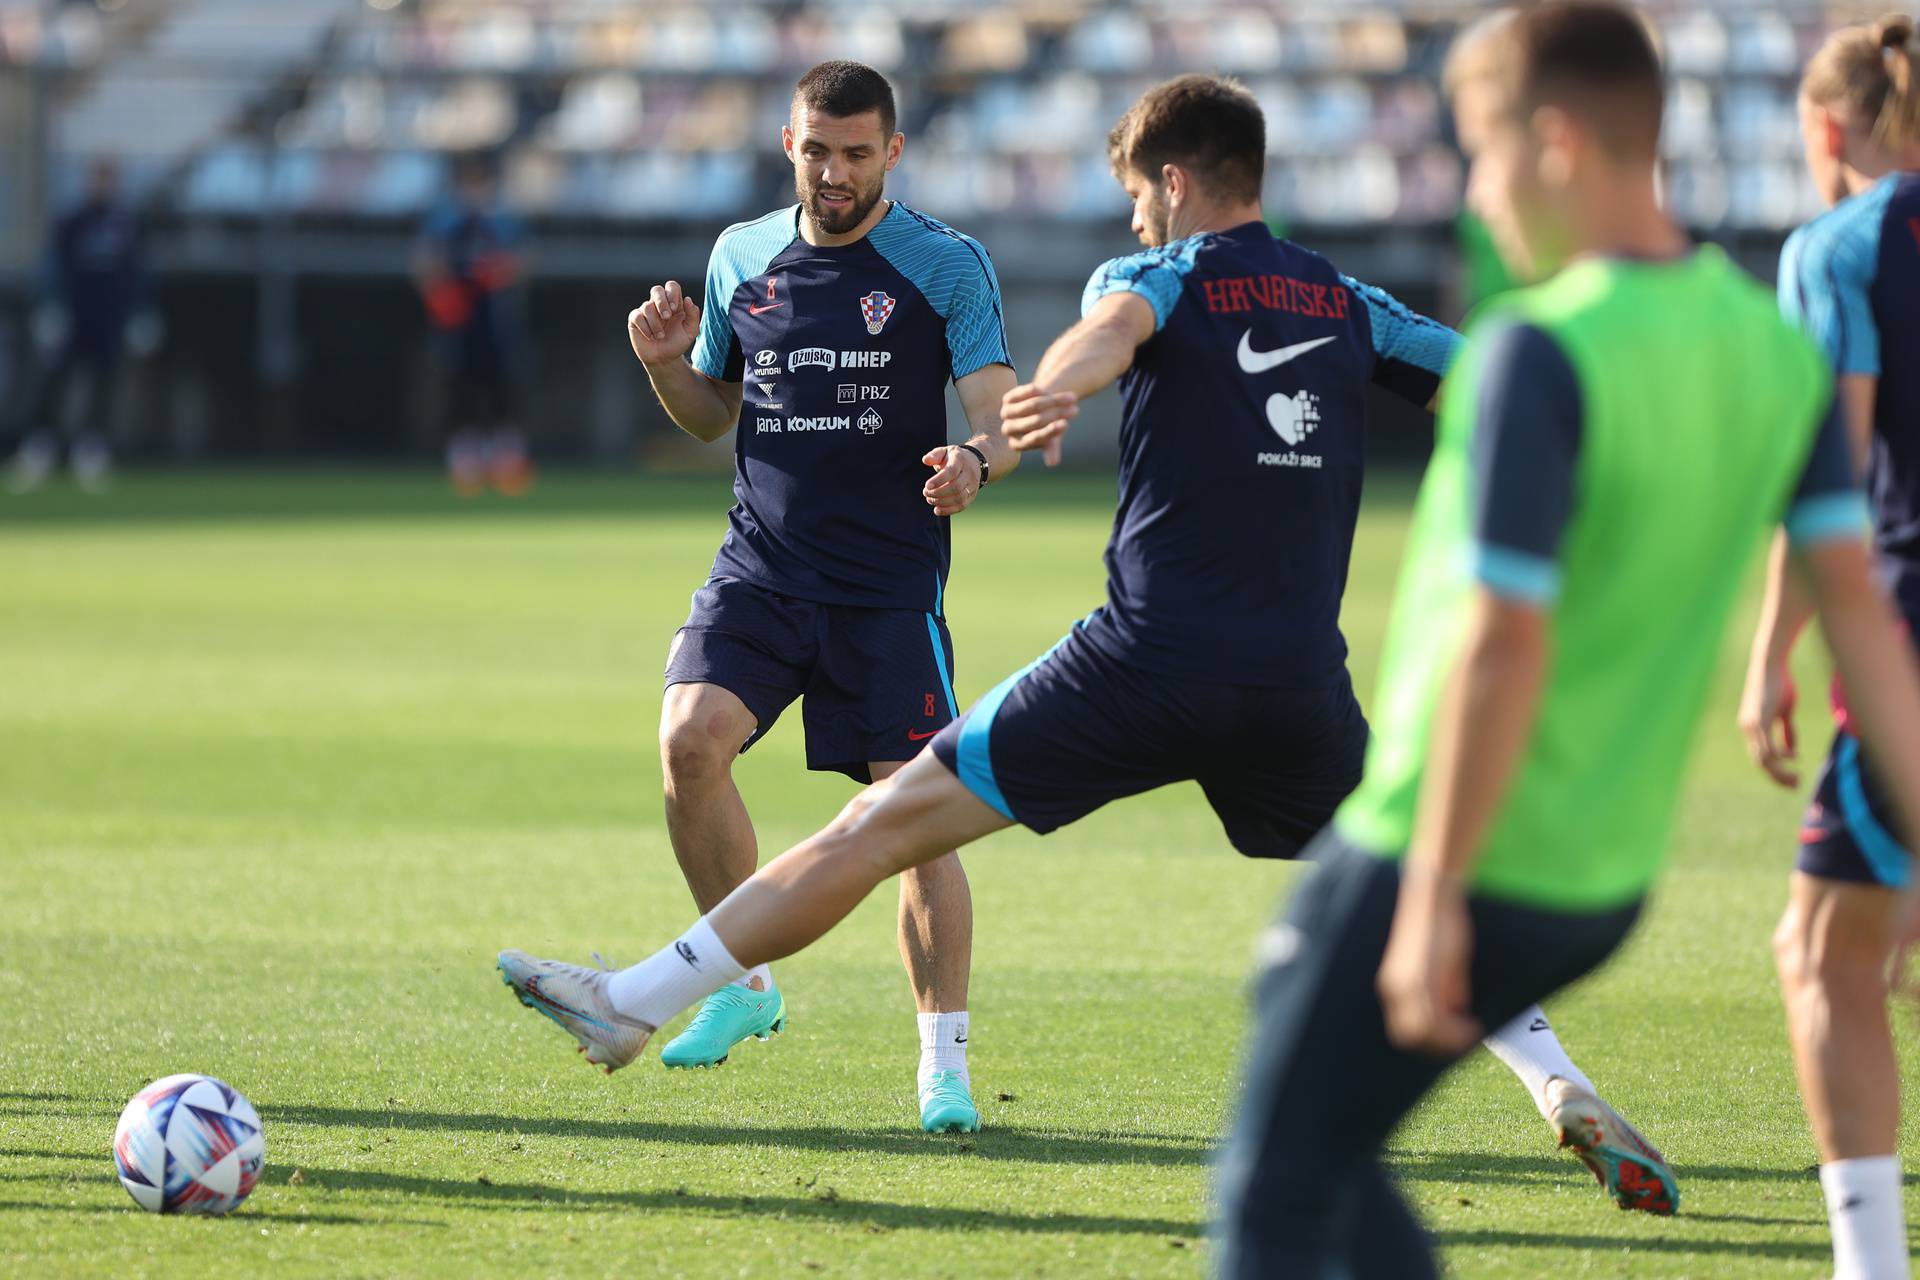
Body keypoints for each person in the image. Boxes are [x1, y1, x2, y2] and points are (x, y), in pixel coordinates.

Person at [495, 74, 1660, 1196]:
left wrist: (1049, 395)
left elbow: (1109, 330)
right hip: (1299, 683)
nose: (1134, 214)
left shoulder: (1153, 271)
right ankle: (1559, 1083)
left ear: (1171, 180)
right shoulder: (1354, 305)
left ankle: (635, 998)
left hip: (1140, 665)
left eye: (1137, 193)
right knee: (1419, 883)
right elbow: (1492, 382)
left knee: (873, 828)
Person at [1211, 5, 1920, 1276]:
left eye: (1478, 156)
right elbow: (1863, 621)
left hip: (1456, 841)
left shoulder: (1540, 350)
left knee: (1269, 1197)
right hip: (1604, 877)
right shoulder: (1765, 348)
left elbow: (1500, 642)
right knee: (1317, 1137)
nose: (1475, 198)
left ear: (1553, 142)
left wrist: (1431, 897)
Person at [579, 61, 1019, 1134]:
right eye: (817, 150)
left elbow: (1002, 417)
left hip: (885, 588)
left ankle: (942, 1066)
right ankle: (742, 985)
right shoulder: (740, 254)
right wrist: (667, 365)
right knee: (688, 740)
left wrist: (974, 462)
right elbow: (709, 416)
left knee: (914, 821)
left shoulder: (947, 266)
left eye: (857, 153)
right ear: (789, 143)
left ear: (893, 154)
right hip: (761, 570)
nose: (835, 172)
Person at [1738, 15, 1920, 1279]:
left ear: (1823, 129)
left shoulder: (1842, 249)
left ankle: (1869, 1262)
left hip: (1907, 641)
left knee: (1824, 951)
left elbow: (1829, 480)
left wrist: (1769, 656)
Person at [7, 158, 146, 494]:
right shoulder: (72, 222)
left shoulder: (126, 224)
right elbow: (52, 267)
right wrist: (51, 308)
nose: (103, 185)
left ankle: (91, 452)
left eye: (108, 179)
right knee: (55, 383)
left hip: (108, 320)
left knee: (103, 386)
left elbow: (139, 273)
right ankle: (39, 449)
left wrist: (142, 312)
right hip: (72, 319)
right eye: (98, 178)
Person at [414, 153, 532, 496]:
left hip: (497, 318)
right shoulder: (446, 220)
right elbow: (425, 261)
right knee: (459, 388)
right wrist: (441, 295)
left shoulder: (502, 220)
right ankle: (465, 462)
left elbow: (524, 260)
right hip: (460, 320)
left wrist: (501, 272)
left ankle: (507, 461)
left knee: (504, 387)